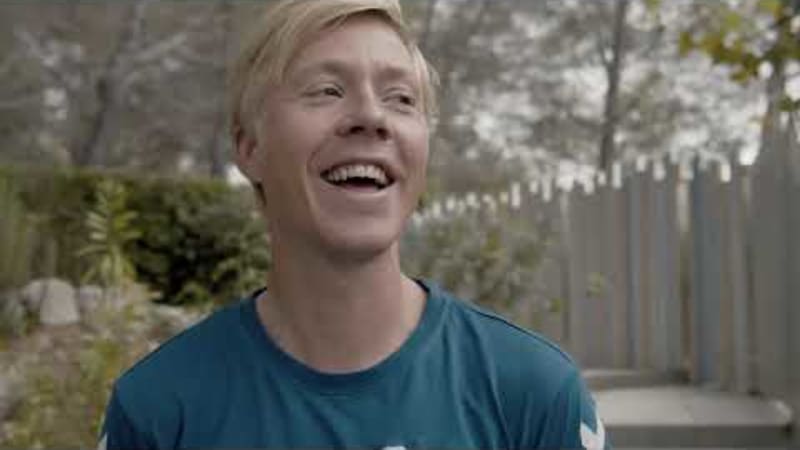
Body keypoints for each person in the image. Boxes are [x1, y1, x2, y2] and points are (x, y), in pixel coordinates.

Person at [98, 0, 608, 448]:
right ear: (249, 147)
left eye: (400, 98)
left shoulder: (534, 396)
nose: (371, 116)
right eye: (326, 90)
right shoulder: (160, 411)